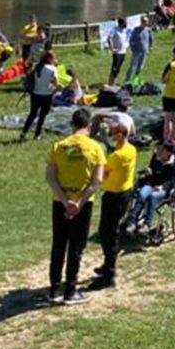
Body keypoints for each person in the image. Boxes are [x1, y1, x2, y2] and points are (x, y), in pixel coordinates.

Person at [46, 107, 106, 305]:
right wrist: (79, 202)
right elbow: (97, 181)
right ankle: (70, 290)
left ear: (72, 125)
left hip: (60, 203)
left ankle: (54, 289)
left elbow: (50, 177)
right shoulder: (96, 148)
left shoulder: (59, 146)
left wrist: (65, 201)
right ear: (89, 126)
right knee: (76, 247)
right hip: (83, 204)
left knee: (58, 245)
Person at [92, 123, 137, 289]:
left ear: (120, 135)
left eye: (113, 133)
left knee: (107, 233)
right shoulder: (131, 149)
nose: (111, 136)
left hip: (114, 196)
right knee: (110, 231)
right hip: (125, 193)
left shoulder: (117, 156)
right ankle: (108, 264)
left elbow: (103, 173)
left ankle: (109, 273)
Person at [131, 142, 175, 234]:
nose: (159, 151)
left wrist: (163, 186)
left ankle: (147, 224)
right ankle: (132, 221)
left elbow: (173, 179)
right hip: (151, 183)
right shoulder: (156, 157)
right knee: (141, 194)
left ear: (169, 152)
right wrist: (148, 171)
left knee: (152, 197)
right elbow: (151, 169)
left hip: (165, 189)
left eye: (162, 150)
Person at [22, 52, 59, 140]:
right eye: (54, 58)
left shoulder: (36, 66)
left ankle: (24, 132)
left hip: (35, 94)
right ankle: (37, 134)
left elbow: (27, 73)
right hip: (46, 95)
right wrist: (53, 90)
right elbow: (56, 83)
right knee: (42, 116)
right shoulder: (53, 69)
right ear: (49, 59)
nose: (55, 60)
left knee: (32, 114)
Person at [126, 18, 154, 87]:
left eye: (146, 21)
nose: (146, 23)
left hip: (144, 51)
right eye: (144, 21)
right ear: (141, 22)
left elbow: (151, 39)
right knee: (132, 66)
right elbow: (131, 40)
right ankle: (127, 80)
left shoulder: (148, 30)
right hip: (136, 52)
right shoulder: (136, 30)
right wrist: (133, 49)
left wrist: (150, 47)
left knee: (140, 67)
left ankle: (136, 80)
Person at [106, 17, 130, 85]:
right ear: (121, 23)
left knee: (118, 68)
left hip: (123, 52)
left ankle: (114, 81)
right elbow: (109, 38)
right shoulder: (114, 30)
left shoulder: (124, 30)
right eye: (125, 23)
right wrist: (112, 48)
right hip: (117, 53)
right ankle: (110, 83)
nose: (126, 24)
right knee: (115, 68)